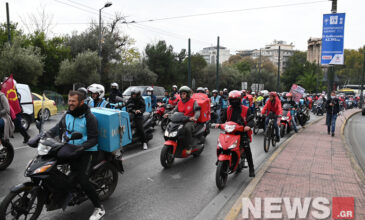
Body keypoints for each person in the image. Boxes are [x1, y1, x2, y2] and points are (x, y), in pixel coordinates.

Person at [46, 91, 105, 220]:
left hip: (88, 151)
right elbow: (57, 128)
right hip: (71, 149)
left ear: (81, 102)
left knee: (83, 179)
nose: (70, 103)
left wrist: (82, 147)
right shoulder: (68, 114)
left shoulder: (89, 118)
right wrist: (44, 135)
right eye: (69, 100)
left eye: (73, 101)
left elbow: (94, 139)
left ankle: (99, 208)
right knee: (51, 164)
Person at [220, 90, 255, 177]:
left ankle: (251, 168)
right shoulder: (228, 109)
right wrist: (219, 124)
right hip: (230, 132)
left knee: (247, 148)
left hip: (242, 133)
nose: (234, 102)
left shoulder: (246, 109)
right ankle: (221, 159)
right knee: (221, 144)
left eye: (235, 100)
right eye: (232, 100)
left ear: (239, 100)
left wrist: (248, 126)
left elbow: (251, 121)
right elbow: (222, 119)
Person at [166, 86, 201, 155]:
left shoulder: (193, 102)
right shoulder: (180, 102)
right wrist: (168, 114)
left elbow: (197, 111)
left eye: (184, 93)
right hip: (181, 119)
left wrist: (194, 117)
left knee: (187, 128)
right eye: (181, 94)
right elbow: (174, 110)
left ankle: (189, 146)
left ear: (187, 94)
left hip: (190, 120)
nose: (182, 95)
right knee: (171, 125)